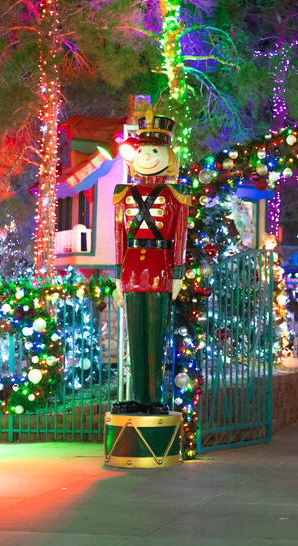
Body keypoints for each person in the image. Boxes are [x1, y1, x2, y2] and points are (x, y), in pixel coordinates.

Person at [113, 111, 190, 414]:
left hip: (160, 268)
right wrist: (118, 276)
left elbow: (180, 236)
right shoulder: (124, 193)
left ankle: (153, 398)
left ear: (168, 155)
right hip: (132, 268)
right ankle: (138, 396)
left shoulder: (176, 195)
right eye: (142, 151)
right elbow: (119, 235)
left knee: (155, 334)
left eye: (154, 151)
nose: (146, 156)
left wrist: (178, 275)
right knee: (136, 335)